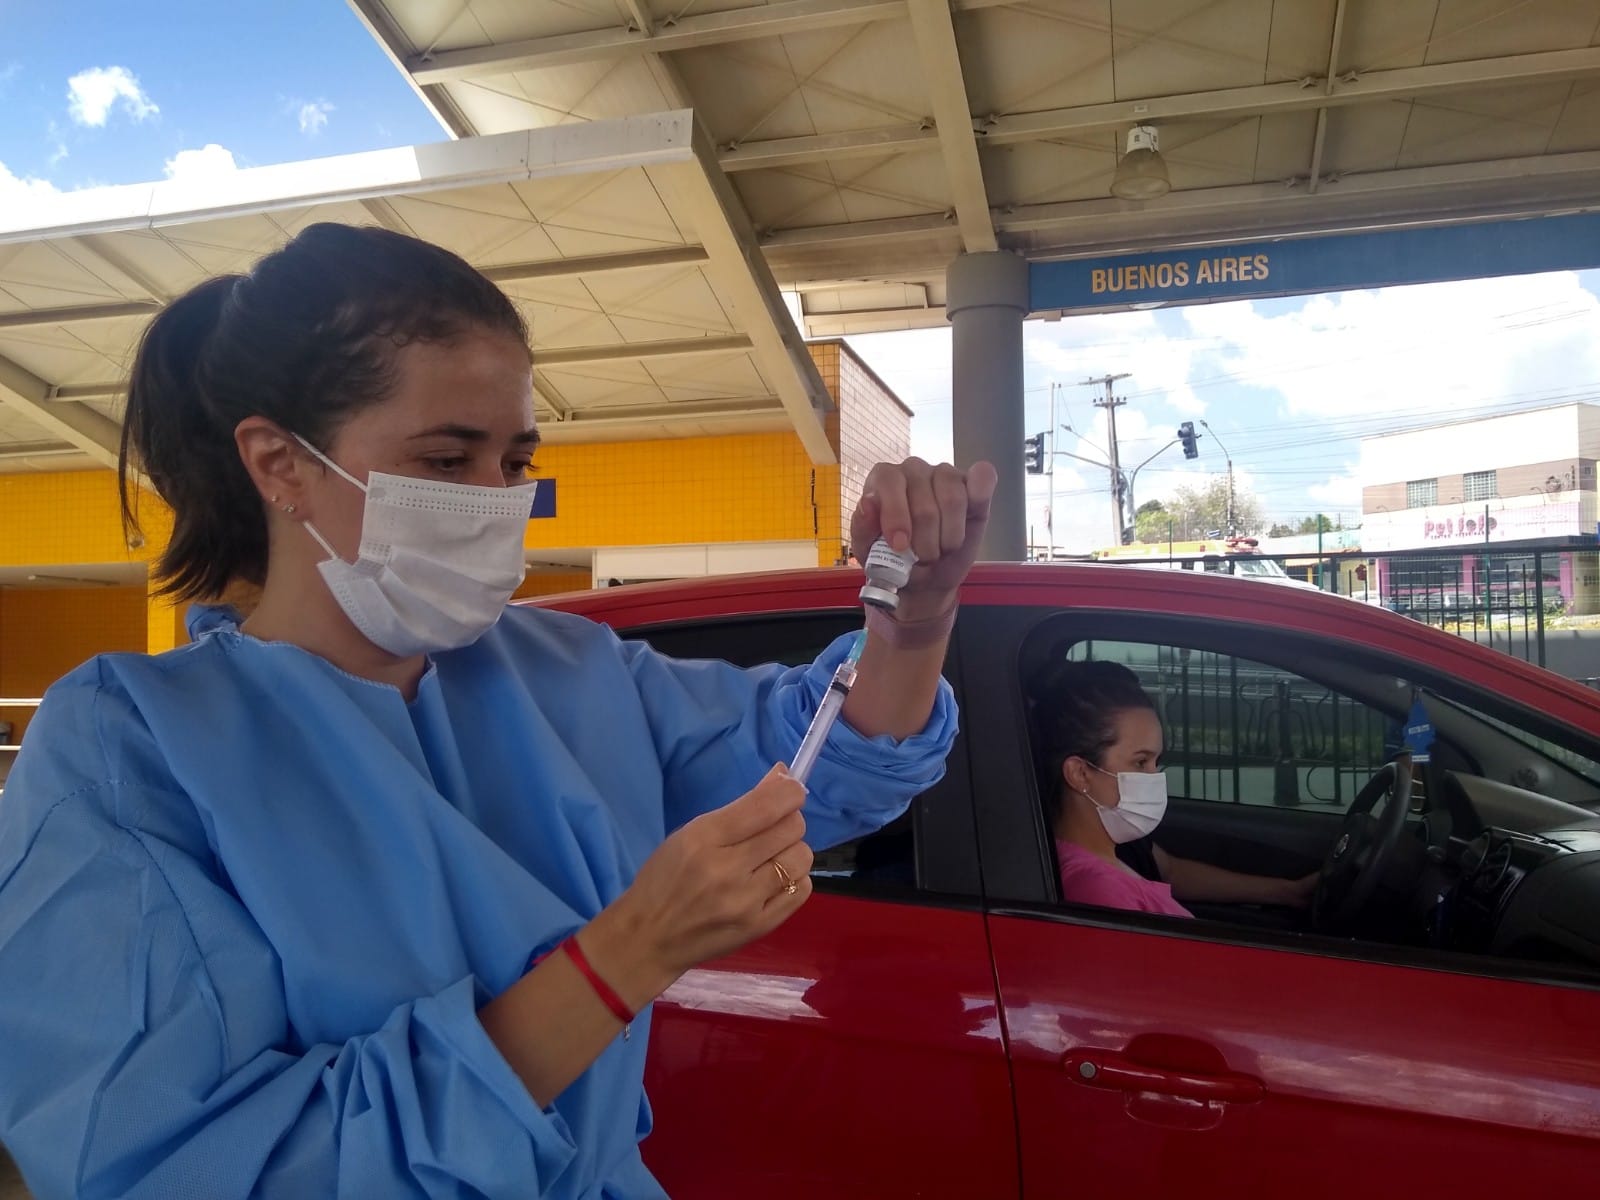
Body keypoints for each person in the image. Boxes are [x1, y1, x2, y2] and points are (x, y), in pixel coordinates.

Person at [0, 223, 997, 1200]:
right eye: (445, 461)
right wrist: (625, 953)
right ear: (279, 463)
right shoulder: (132, 751)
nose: (493, 501)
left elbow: (824, 766)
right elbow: (175, 1164)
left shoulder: (562, 670)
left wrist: (913, 621)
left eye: (514, 464)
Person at [1034, 660, 1317, 918]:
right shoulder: (1098, 890)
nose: (1155, 777)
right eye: (1141, 761)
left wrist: (1288, 892)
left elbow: (1168, 870)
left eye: (1157, 761)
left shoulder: (1111, 850)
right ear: (1080, 773)